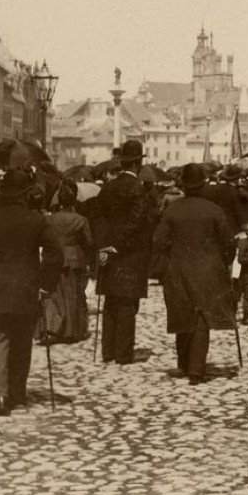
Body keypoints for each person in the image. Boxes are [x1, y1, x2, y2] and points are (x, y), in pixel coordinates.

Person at [0, 170, 63, 416]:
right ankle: (18, 394)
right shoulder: (36, 220)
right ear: (25, 194)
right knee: (22, 341)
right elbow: (55, 253)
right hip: (25, 290)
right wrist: (45, 285)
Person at [154, 163, 236, 384]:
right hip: (208, 268)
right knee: (202, 315)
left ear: (184, 185)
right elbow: (229, 243)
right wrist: (224, 262)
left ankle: (184, 361)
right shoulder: (214, 210)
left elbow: (159, 241)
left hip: (179, 267)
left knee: (183, 311)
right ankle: (196, 370)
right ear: (203, 184)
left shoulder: (172, 211)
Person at [95, 140, 152, 365]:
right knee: (127, 302)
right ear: (138, 163)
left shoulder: (107, 187)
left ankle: (107, 351)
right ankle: (123, 353)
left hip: (107, 251)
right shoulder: (138, 188)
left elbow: (97, 217)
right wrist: (119, 244)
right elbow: (137, 222)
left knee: (110, 300)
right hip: (129, 253)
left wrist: (104, 244)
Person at [36, 179, 93, 345]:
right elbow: (89, 242)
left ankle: (52, 329)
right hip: (74, 258)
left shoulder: (49, 219)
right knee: (74, 295)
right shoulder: (80, 220)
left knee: (54, 295)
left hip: (53, 259)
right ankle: (73, 330)